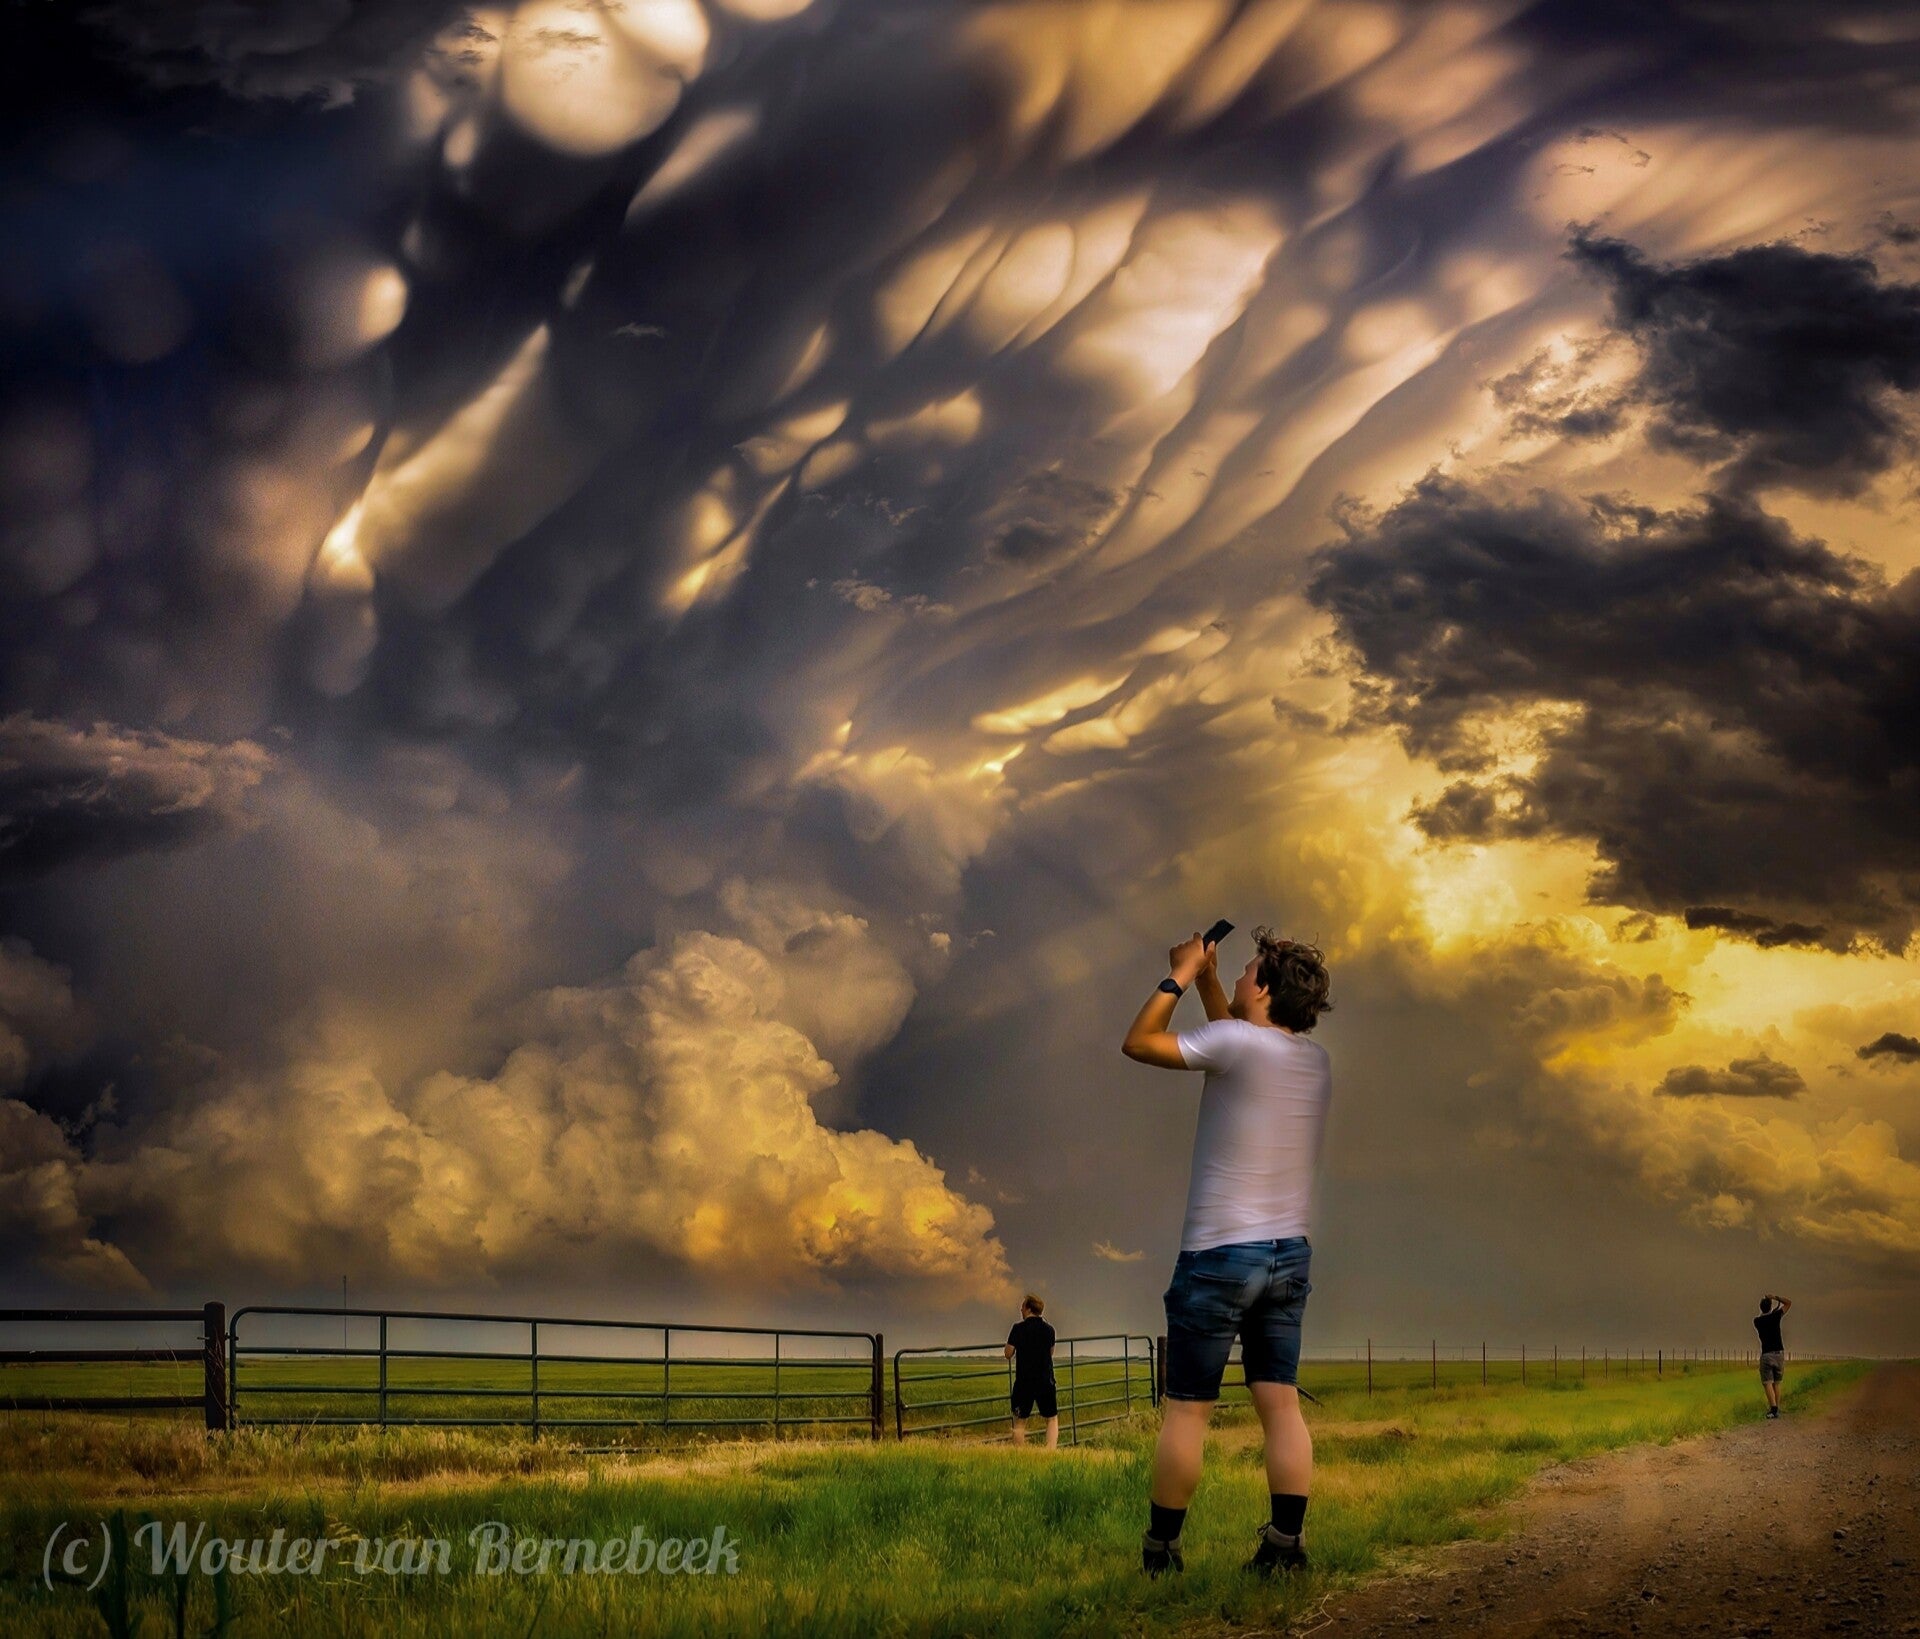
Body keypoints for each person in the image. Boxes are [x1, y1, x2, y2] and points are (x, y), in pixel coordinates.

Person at [1121, 925, 1334, 1579]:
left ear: (1265, 987)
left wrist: (1181, 974)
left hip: (1218, 1254)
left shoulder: (1237, 1044)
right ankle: (1285, 1547)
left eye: (1244, 973)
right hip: (1287, 1255)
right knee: (1280, 1405)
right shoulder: (1312, 1060)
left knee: (1188, 1408)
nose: (1238, 979)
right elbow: (1234, 1043)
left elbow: (1139, 1042)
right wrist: (1216, 984)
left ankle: (1161, 1552)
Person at [1005, 1294, 1059, 1448]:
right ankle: (1050, 1451)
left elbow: (1008, 1353)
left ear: (1028, 1309)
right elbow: (1050, 1353)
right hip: (1045, 1380)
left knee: (1020, 1420)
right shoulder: (1049, 1330)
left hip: (1024, 1381)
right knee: (1051, 1418)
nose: (1020, 1309)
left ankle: (1020, 1454)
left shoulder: (1018, 1328)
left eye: (1022, 1306)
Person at [1755, 1294, 1791, 1417]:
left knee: (1767, 1382)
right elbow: (1788, 1303)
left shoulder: (1757, 1321)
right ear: (1770, 1307)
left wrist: (1768, 1307)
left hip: (1767, 1354)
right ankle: (1777, 1409)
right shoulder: (1776, 1316)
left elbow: (1763, 1315)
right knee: (1777, 1382)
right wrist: (1775, 1298)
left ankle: (1773, 1409)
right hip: (1779, 1353)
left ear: (1761, 1308)